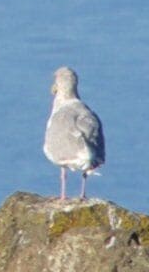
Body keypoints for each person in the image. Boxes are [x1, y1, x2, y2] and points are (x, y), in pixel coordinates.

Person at [44, 66, 104, 201]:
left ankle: (63, 196)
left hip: (75, 154)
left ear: (59, 83)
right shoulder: (89, 115)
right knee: (87, 164)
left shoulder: (59, 116)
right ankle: (82, 195)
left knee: (63, 171)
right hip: (90, 157)